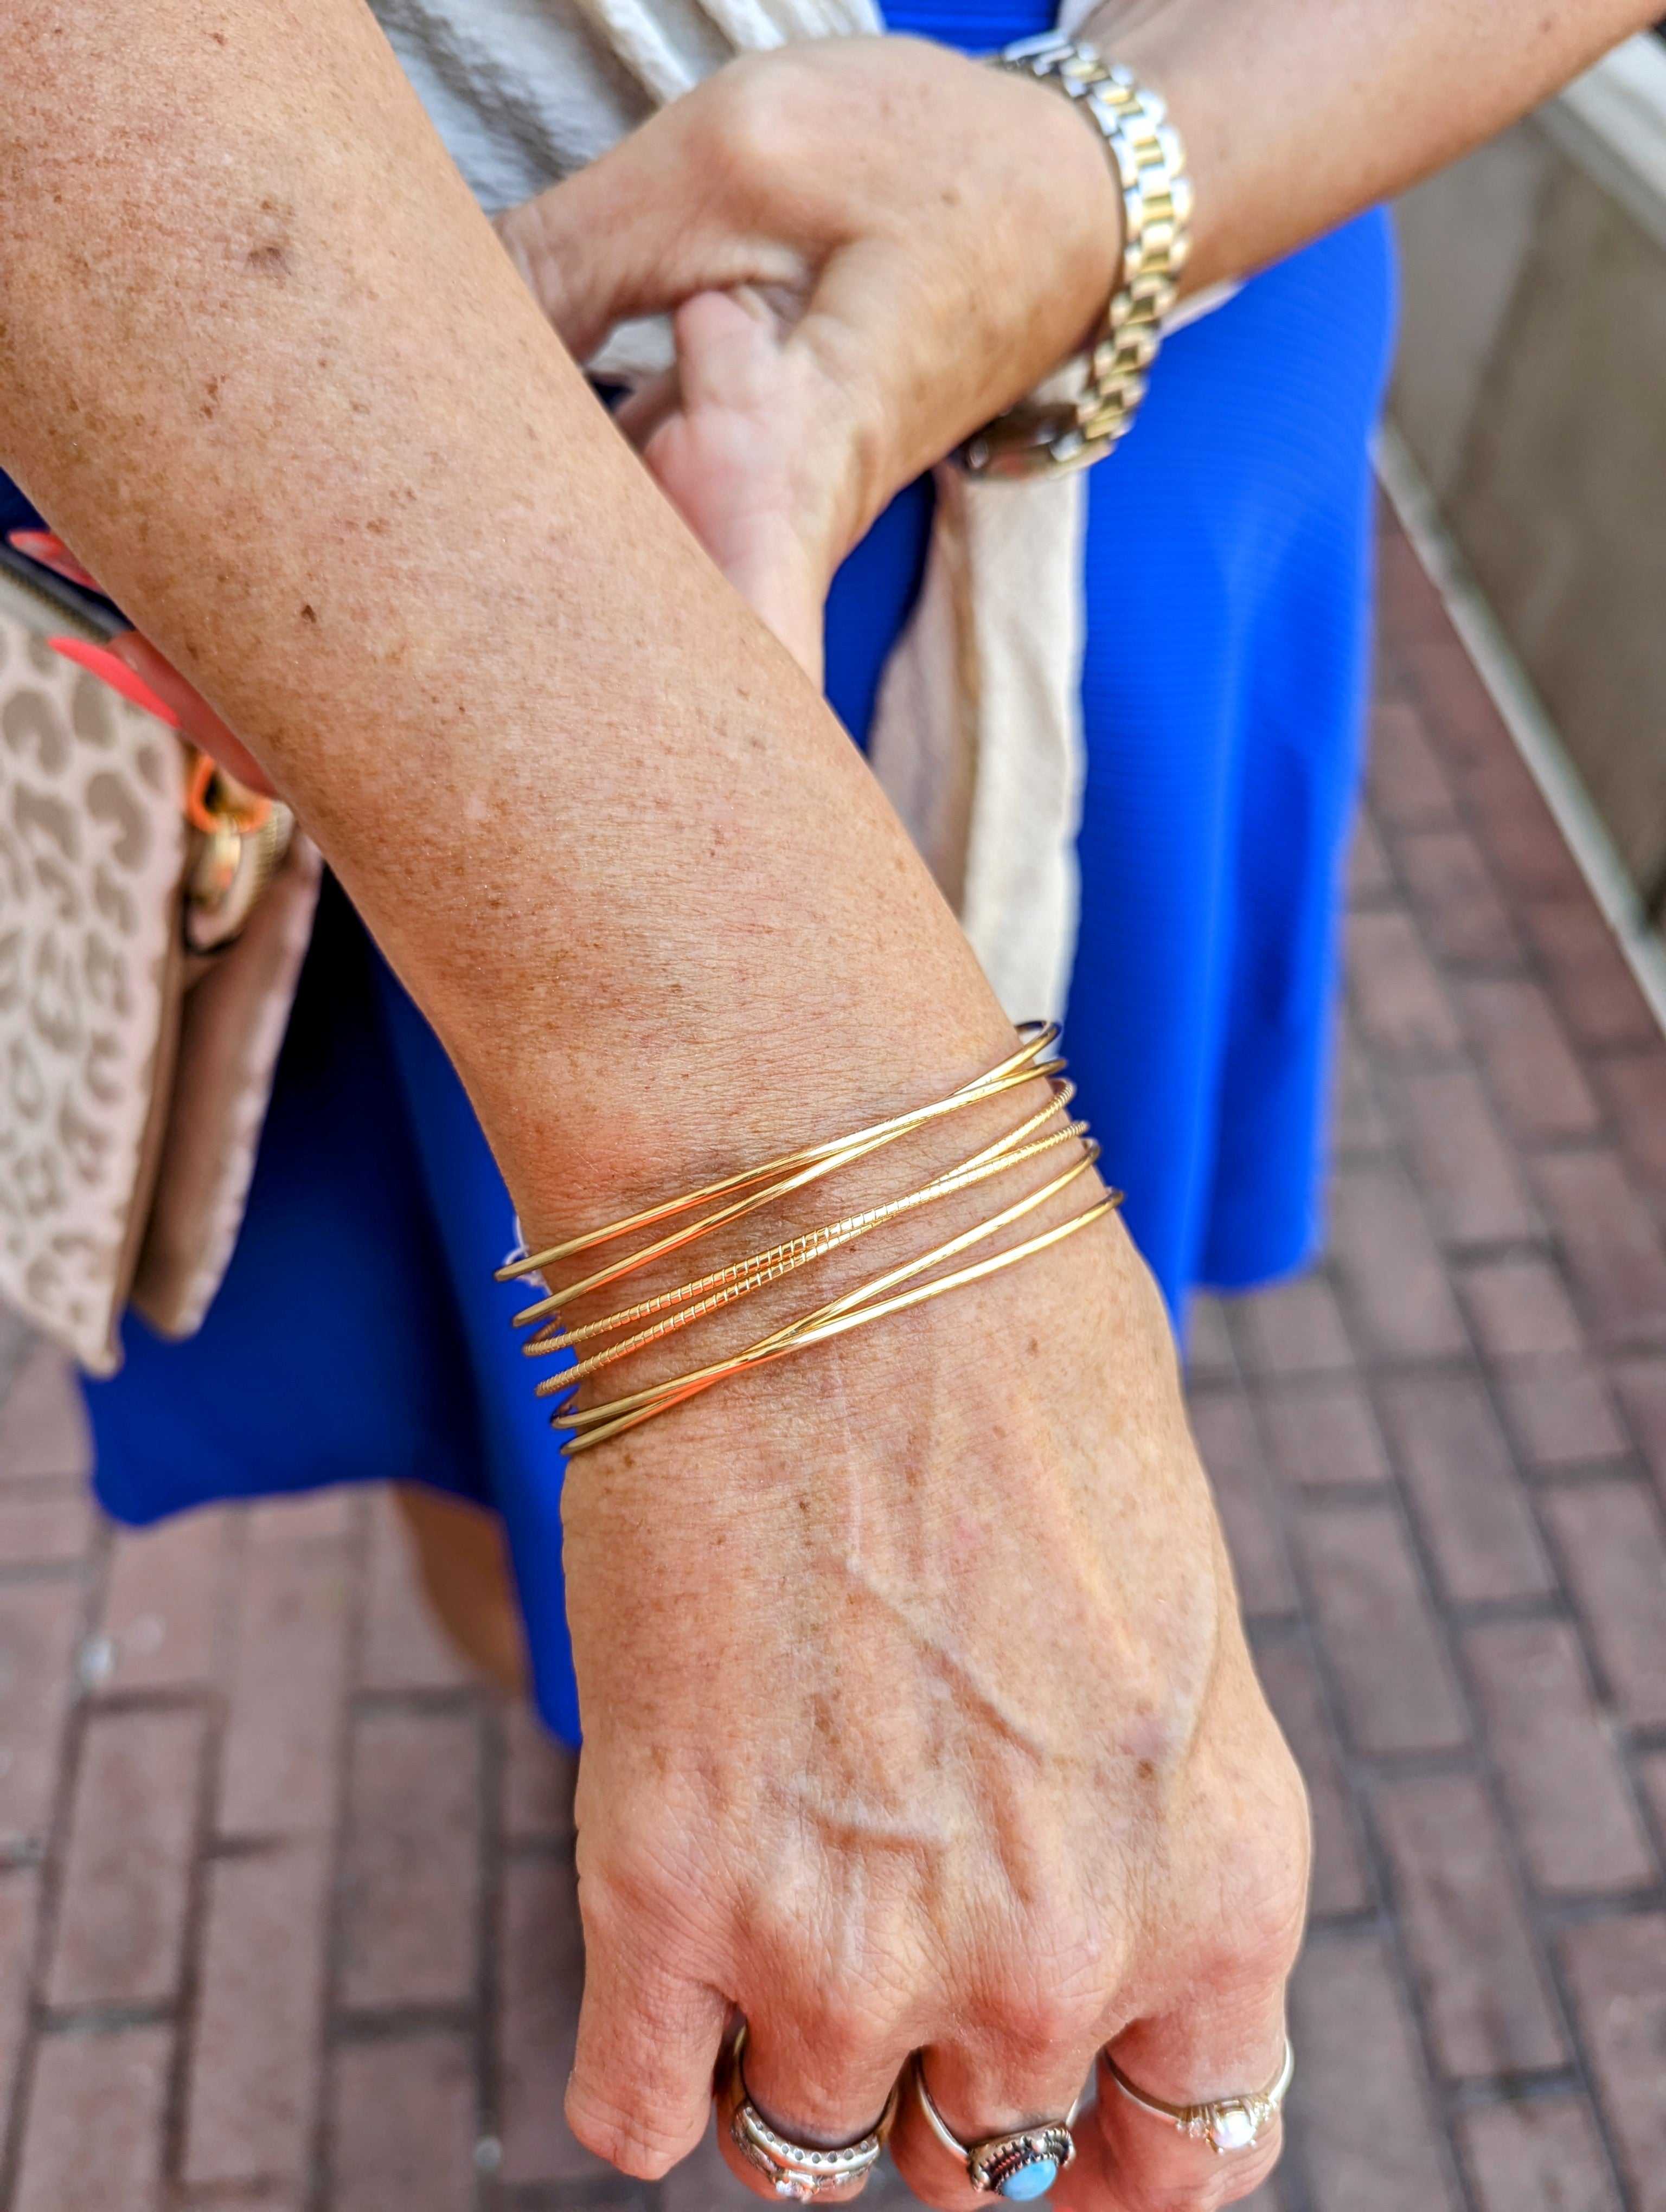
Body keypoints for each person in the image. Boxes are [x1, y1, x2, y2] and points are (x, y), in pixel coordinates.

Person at [1, 5, 1652, 2208]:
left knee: (1084, 1402)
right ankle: (628, 1779)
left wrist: (1097, 179)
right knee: (484, 1447)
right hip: (321, 412)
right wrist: (802, 1164)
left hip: (1158, 300)